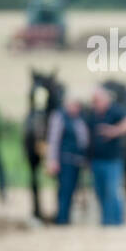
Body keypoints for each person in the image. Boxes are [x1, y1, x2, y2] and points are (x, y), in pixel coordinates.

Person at [86, 85, 126, 225]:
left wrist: (115, 131)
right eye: (94, 101)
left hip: (112, 160)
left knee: (113, 191)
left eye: (97, 100)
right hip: (96, 160)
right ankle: (106, 220)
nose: (95, 103)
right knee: (100, 192)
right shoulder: (92, 114)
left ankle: (117, 221)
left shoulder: (115, 110)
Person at [45, 92, 89, 225]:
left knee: (71, 191)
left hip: (77, 161)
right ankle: (62, 219)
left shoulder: (79, 119)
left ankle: (66, 218)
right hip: (65, 160)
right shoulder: (59, 117)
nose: (76, 108)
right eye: (74, 105)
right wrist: (52, 160)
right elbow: (54, 140)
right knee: (65, 190)